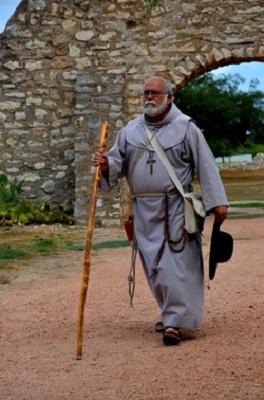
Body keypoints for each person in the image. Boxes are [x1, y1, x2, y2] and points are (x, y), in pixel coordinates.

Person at [93, 76, 228, 346]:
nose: (149, 98)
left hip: (175, 207)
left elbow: (206, 164)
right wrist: (105, 163)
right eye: (145, 93)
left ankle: (174, 322)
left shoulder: (186, 127)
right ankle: (170, 313)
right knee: (154, 266)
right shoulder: (130, 131)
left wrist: (218, 203)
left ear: (169, 97)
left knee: (175, 264)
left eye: (155, 93)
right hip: (143, 209)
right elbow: (116, 162)